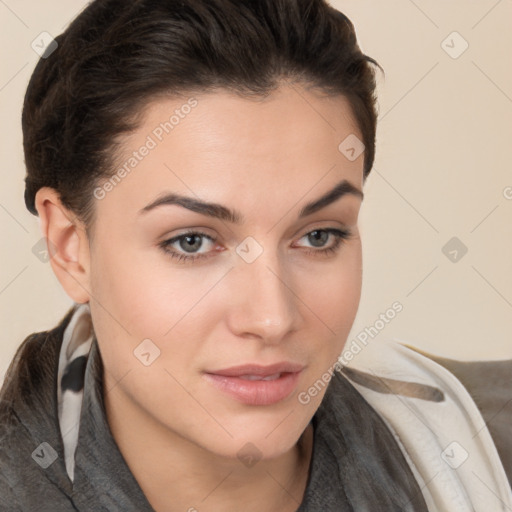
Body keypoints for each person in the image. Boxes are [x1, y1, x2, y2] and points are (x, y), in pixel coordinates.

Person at [0, 0, 510, 510]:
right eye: (192, 242)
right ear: (70, 248)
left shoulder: (492, 449)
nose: (272, 318)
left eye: (318, 236)